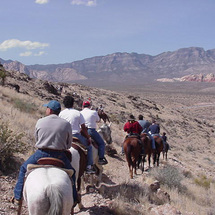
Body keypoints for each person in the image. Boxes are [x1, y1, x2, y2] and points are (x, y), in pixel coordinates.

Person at [12, 100, 77, 206]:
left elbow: (37, 139)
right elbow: (69, 144)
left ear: (50, 110)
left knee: (23, 168)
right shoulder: (66, 124)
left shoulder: (40, 121)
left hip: (41, 154)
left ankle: (18, 197)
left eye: (47, 108)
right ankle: (74, 199)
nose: (46, 109)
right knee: (72, 173)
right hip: (60, 155)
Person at [59, 96, 95, 174]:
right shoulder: (77, 113)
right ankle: (89, 166)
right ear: (73, 104)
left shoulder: (61, 113)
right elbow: (83, 128)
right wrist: (88, 137)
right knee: (89, 147)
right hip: (76, 135)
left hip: (64, 136)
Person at [81, 101, 108, 165]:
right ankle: (101, 159)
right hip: (91, 131)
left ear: (82, 106)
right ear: (89, 106)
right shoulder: (93, 112)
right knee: (102, 143)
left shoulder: (80, 112)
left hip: (81, 131)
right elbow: (98, 120)